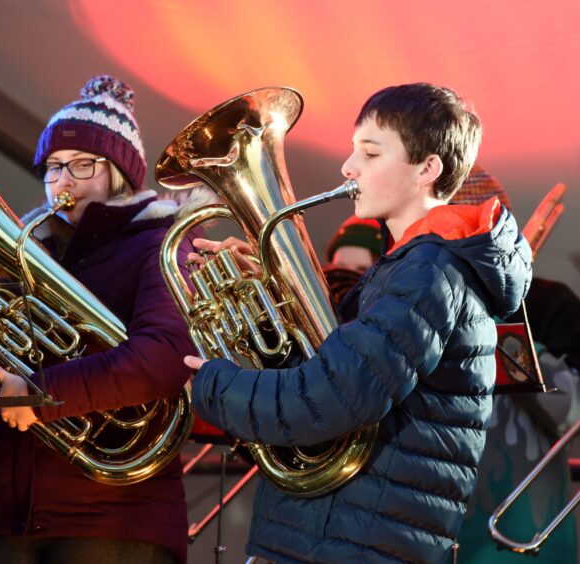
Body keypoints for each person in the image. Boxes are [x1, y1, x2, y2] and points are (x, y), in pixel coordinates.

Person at [185, 83, 533, 563]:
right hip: (338, 536)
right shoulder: (408, 267)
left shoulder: (429, 270)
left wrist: (211, 385)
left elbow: (333, 396)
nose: (348, 168)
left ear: (427, 169)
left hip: (353, 544)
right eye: (354, 152)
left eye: (370, 153)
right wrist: (268, 302)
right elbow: (326, 367)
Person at [0, 75, 198, 564]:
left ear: (119, 172)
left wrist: (40, 392)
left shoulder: (160, 245)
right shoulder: (27, 254)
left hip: (114, 523)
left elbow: (163, 357)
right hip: (4, 515)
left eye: (81, 164)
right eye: (52, 167)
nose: (62, 180)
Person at [452, 164, 580, 563]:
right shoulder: (412, 303)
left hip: (520, 544)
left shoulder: (550, 302)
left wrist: (497, 316)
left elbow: (573, 413)